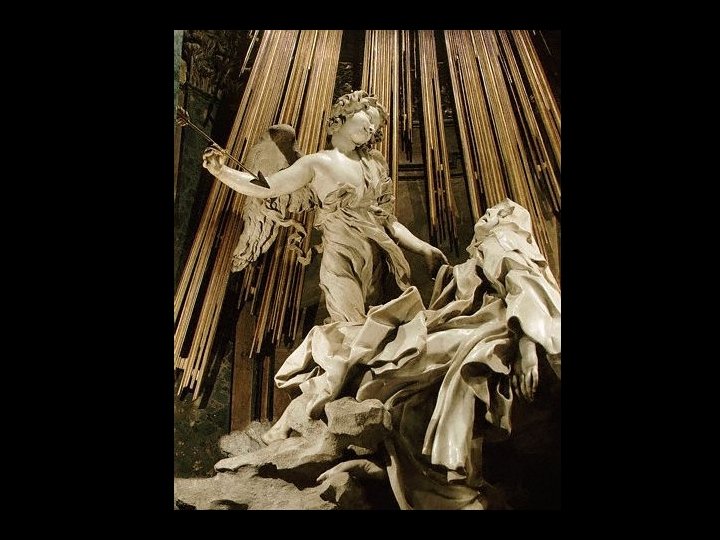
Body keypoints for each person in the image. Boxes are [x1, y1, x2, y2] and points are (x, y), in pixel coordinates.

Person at [202, 90, 447, 324]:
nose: (372, 128)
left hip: (377, 261)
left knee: (377, 331)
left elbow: (390, 223)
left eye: (376, 127)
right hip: (340, 259)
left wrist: (424, 248)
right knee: (349, 329)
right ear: (344, 114)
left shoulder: (375, 167)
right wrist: (222, 171)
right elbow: (267, 186)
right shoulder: (316, 163)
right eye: (368, 117)